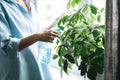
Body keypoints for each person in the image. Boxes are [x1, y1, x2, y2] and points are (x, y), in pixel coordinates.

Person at [0, 0, 60, 80]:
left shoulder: (29, 4)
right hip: (18, 73)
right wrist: (37, 37)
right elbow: (6, 46)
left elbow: (32, 32)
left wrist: (52, 26)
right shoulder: (2, 6)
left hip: (37, 69)